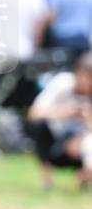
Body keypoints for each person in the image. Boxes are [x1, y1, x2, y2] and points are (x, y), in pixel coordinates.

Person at [28, 52, 92, 190]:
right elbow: (34, 113)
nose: (85, 82)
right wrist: (64, 112)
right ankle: (46, 180)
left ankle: (86, 178)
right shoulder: (63, 83)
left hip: (81, 143)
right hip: (56, 140)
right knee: (40, 126)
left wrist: (87, 117)